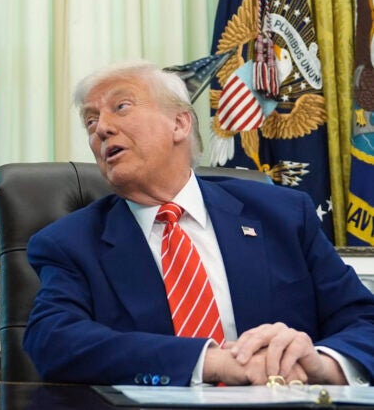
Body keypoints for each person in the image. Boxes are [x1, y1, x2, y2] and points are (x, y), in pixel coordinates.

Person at [24, 61, 374, 387]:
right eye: (90, 121)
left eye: (121, 106)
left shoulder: (283, 215)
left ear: (179, 123)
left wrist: (321, 365)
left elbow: (364, 320)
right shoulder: (69, 243)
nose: (102, 128)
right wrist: (211, 362)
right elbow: (53, 340)